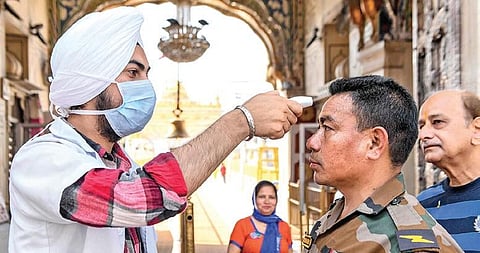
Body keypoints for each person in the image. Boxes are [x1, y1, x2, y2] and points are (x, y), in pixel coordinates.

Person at [7, 6, 303, 253]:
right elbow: (138, 198)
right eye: (133, 73)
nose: (145, 87)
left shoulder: (121, 163)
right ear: (89, 85)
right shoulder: (42, 160)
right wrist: (241, 121)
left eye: (146, 75)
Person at [301, 75, 463, 252]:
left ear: (374, 143)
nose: (312, 143)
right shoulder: (336, 215)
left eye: (328, 128)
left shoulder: (409, 245)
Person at [417, 89, 480, 252]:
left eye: (437, 122)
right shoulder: (420, 206)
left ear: (477, 130)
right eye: (422, 126)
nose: (423, 135)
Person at [227, 180, 293, 253]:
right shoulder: (242, 225)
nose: (267, 201)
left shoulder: (284, 227)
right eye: (262, 197)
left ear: (276, 200)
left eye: (271, 197)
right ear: (254, 199)